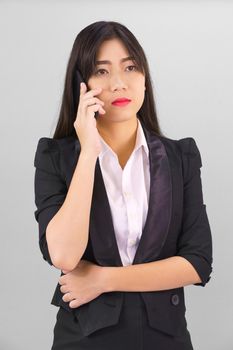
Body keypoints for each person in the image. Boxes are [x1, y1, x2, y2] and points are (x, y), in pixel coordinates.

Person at [33, 20, 213, 350]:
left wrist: (103, 279)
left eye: (130, 67)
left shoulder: (180, 157)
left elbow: (197, 263)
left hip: (166, 339)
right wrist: (89, 152)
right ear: (82, 84)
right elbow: (64, 255)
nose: (119, 83)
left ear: (145, 78)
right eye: (101, 71)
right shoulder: (55, 157)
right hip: (85, 340)